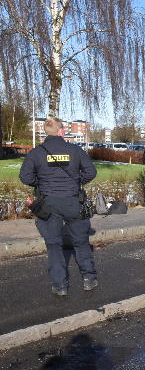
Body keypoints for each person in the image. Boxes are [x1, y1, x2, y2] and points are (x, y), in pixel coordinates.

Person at [19, 117, 98, 296]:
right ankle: (89, 279)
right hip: (72, 201)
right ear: (61, 131)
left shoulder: (36, 152)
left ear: (46, 132)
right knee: (80, 241)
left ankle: (60, 285)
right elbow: (90, 172)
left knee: (54, 244)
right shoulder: (74, 149)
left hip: (48, 203)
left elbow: (25, 177)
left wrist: (40, 184)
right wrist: (76, 183)